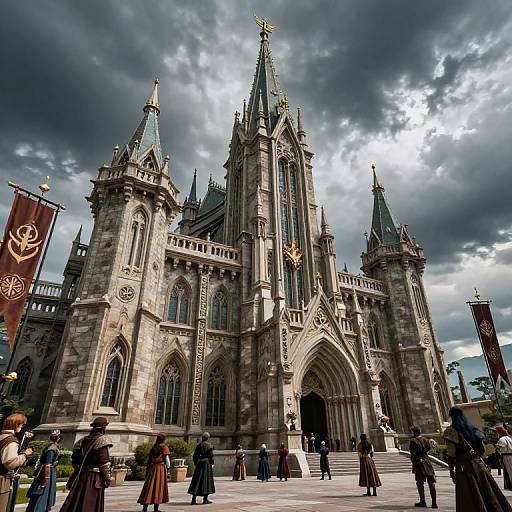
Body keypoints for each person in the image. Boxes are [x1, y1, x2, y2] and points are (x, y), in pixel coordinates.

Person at [444, 406, 512, 512]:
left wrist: (451, 470)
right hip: (478, 464)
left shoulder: (451, 431)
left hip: (464, 467)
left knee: (469, 495)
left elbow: (451, 454)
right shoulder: (472, 428)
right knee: (488, 492)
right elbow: (482, 450)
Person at [60, 416, 113, 512]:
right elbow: (104, 463)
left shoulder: (82, 441)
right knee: (90, 502)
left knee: (77, 501)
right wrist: (107, 479)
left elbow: (74, 461)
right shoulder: (102, 441)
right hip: (94, 478)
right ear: (104, 428)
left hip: (81, 477)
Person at [0, 413, 32, 511]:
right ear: (16, 424)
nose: (22, 427)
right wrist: (25, 455)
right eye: (21, 425)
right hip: (2, 481)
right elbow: (10, 462)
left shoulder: (2, 437)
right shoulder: (11, 441)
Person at [26, 430, 61, 512]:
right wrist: (45, 480)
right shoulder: (52, 448)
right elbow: (47, 465)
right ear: (58, 439)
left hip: (47, 471)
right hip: (47, 473)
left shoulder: (49, 446)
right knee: (42, 494)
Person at [137, 433, 170, 512]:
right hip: (160, 469)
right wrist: (168, 468)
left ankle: (145, 508)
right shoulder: (164, 447)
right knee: (158, 487)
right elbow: (167, 459)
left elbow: (149, 459)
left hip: (152, 468)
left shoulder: (154, 447)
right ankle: (156, 508)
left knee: (150, 487)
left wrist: (148, 470)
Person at [409, 426, 437, 509]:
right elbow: (428, 448)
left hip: (419, 463)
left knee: (420, 482)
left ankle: (423, 501)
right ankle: (434, 503)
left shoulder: (413, 441)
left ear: (413, 433)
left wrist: (414, 461)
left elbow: (413, 453)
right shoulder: (425, 440)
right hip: (427, 461)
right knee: (431, 482)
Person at [188, 432, 215, 505]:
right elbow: (211, 456)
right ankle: (205, 499)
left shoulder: (198, 446)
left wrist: (196, 463)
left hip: (200, 463)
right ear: (208, 438)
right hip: (206, 464)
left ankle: (193, 499)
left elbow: (195, 456)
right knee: (206, 481)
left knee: (197, 480)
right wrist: (212, 463)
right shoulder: (209, 446)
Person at [496, 426, 512, 491]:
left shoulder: (502, 439)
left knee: (509, 471)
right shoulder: (510, 438)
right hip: (510, 455)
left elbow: (503, 447)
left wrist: (497, 448)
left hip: (506, 457)